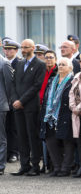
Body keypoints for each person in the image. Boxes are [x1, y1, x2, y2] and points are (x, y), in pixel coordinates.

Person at [11, 39, 46, 176]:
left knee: (32, 136)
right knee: (21, 136)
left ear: (33, 48)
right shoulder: (19, 64)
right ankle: (24, 165)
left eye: (26, 47)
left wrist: (22, 100)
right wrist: (15, 100)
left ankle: (35, 165)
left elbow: (37, 86)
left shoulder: (40, 64)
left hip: (30, 105)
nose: (23, 50)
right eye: (22, 47)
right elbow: (14, 84)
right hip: (17, 106)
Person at [40, 57, 74, 177]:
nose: (60, 66)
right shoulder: (52, 81)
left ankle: (65, 168)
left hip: (66, 114)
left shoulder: (73, 81)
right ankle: (57, 166)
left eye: (63, 64)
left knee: (67, 142)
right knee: (50, 141)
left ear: (70, 68)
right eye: (59, 64)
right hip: (50, 116)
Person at [2, 39, 20, 163]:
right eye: (6, 49)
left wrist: (12, 99)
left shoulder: (17, 63)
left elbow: (11, 84)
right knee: (4, 129)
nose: (8, 51)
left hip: (11, 100)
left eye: (10, 49)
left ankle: (13, 152)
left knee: (12, 128)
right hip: (4, 101)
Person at [0, 53, 14, 174]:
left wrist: (7, 102)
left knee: (0, 137)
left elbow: (10, 86)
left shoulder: (4, 63)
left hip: (0, 105)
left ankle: (0, 166)